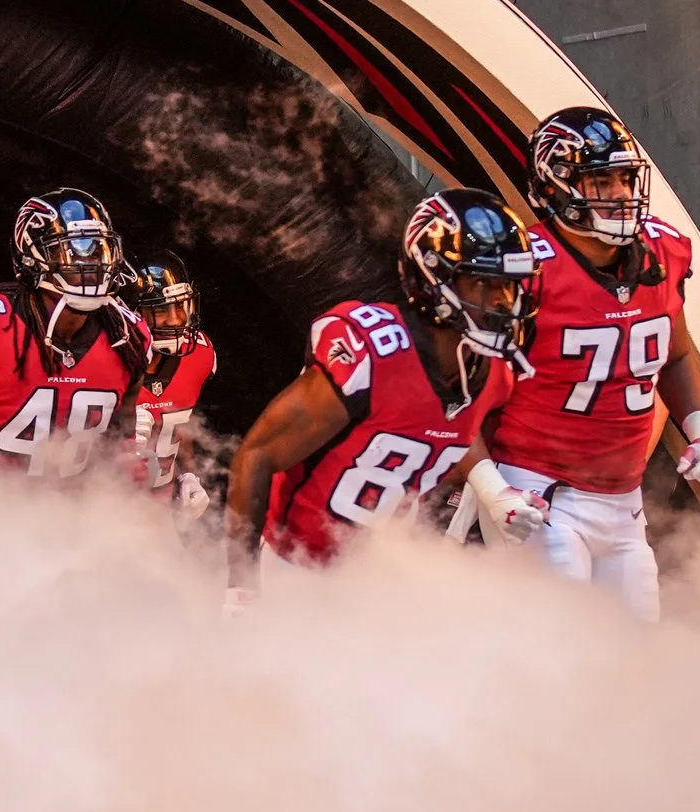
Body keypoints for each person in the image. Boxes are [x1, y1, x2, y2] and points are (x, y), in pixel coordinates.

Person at [224, 189, 540, 594]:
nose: (503, 300)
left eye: (510, 285)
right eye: (484, 282)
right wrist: (241, 590)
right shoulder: (373, 354)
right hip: (296, 569)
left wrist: (496, 492)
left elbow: (451, 427)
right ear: (434, 279)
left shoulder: (492, 372)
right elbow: (258, 455)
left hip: (380, 575)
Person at [480, 107, 700, 620]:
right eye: (599, 180)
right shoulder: (524, 270)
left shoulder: (664, 251)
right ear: (554, 186)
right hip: (540, 493)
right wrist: (492, 489)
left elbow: (675, 353)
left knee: (632, 663)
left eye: (624, 178)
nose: (618, 193)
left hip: (623, 501)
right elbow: (460, 399)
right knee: (565, 659)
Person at [0, 189, 151, 478]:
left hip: (76, 511)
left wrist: (143, 490)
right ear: (31, 257)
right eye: (68, 251)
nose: (88, 265)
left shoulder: (128, 336)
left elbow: (121, 444)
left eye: (96, 250)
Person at [122, 249, 218, 511]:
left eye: (181, 306)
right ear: (133, 311)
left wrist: (188, 475)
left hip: (159, 513)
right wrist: (116, 428)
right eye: (162, 309)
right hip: (103, 506)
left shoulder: (200, 355)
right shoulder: (106, 360)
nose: (176, 319)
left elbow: (182, 423)